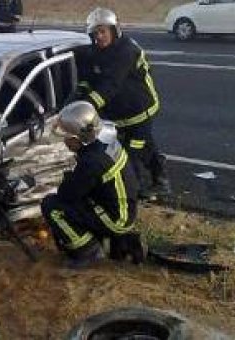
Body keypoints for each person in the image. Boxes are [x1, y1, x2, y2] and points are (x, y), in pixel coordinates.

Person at [75, 7, 171, 201]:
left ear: (114, 30)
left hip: (139, 109)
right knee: (146, 145)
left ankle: (132, 194)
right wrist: (79, 93)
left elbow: (111, 84)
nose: (100, 36)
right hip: (119, 113)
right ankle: (160, 179)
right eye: (95, 33)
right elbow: (88, 78)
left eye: (103, 31)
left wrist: (85, 107)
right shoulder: (94, 51)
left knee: (132, 152)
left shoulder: (126, 50)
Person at [41, 101, 145, 268]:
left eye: (66, 138)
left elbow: (66, 195)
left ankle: (87, 250)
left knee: (52, 207)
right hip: (123, 209)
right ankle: (121, 241)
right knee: (80, 203)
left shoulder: (92, 161)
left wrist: (68, 178)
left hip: (116, 219)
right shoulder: (106, 139)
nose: (64, 142)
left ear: (77, 139)